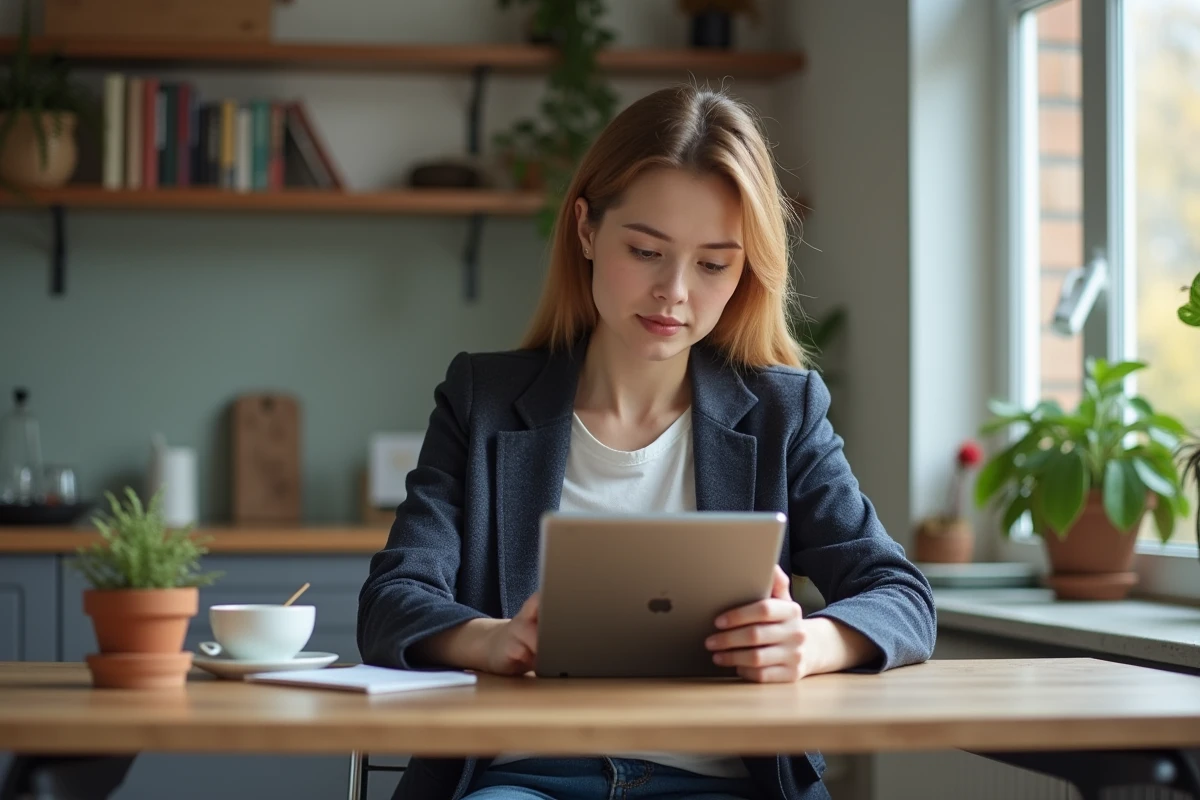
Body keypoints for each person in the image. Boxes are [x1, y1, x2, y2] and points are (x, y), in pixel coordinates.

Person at [358, 83, 936, 800]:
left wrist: (811, 643)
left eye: (713, 263)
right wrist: (491, 639)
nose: (675, 292)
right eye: (645, 250)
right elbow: (391, 600)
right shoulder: (482, 402)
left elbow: (902, 595)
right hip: (522, 780)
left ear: (745, 271)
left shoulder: (782, 414)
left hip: (723, 784)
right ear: (586, 231)